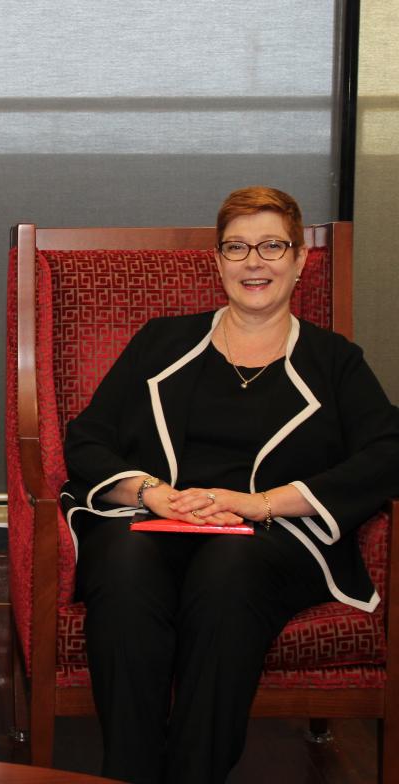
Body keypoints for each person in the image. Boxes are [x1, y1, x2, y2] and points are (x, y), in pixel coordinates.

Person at [60, 186, 399, 784]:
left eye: (272, 246)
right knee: (125, 564)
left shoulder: (335, 360)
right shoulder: (162, 341)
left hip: (272, 533)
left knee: (228, 571)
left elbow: (388, 453)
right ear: (217, 261)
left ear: (299, 260)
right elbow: (87, 439)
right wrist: (151, 494)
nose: (253, 262)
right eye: (237, 247)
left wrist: (259, 503)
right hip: (158, 518)